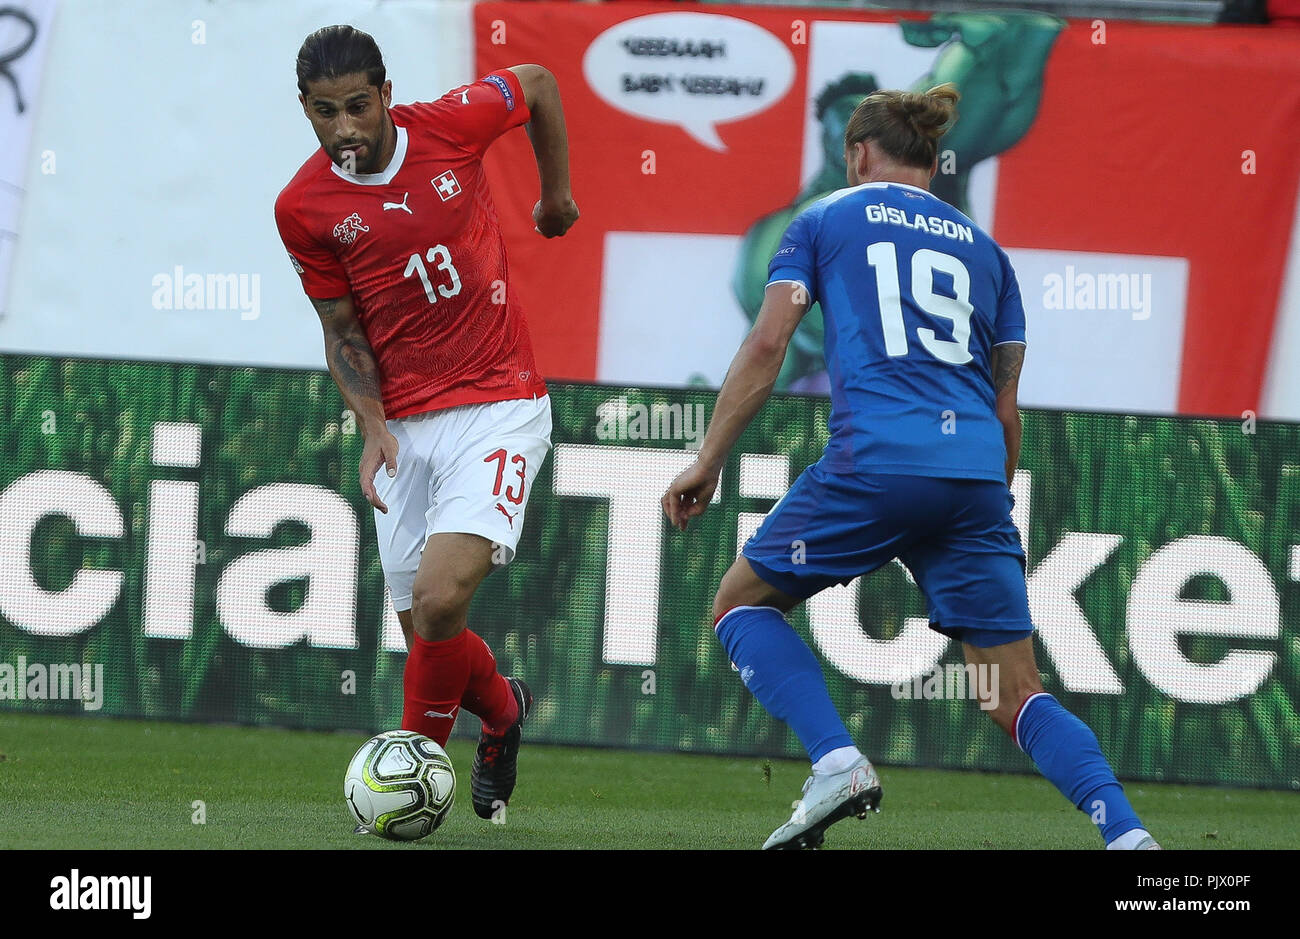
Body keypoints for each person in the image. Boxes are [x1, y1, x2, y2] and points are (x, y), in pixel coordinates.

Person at [662, 83, 1157, 851]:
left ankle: (835, 760)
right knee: (1010, 691)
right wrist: (991, 517)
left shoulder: (826, 217)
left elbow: (767, 347)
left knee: (740, 605)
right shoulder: (986, 252)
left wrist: (708, 459)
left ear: (857, 152)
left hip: (877, 460)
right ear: (932, 159)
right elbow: (1005, 409)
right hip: (973, 479)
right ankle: (1130, 841)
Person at [274, 25, 578, 823]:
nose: (344, 128)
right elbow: (343, 333)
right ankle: (504, 710)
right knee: (428, 638)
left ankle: (410, 783)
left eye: (357, 107)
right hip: (406, 426)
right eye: (324, 113)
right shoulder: (303, 209)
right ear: (303, 110)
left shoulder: (450, 124)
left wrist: (556, 197)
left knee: (442, 600)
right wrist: (373, 427)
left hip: (501, 403)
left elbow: (540, 81)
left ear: (385, 93)